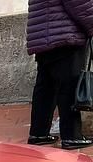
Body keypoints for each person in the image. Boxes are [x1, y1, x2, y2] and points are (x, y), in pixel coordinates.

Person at [27, 0, 93, 149]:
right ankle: (72, 136)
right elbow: (79, 3)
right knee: (69, 86)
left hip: (42, 36)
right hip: (64, 35)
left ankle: (38, 133)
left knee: (46, 88)